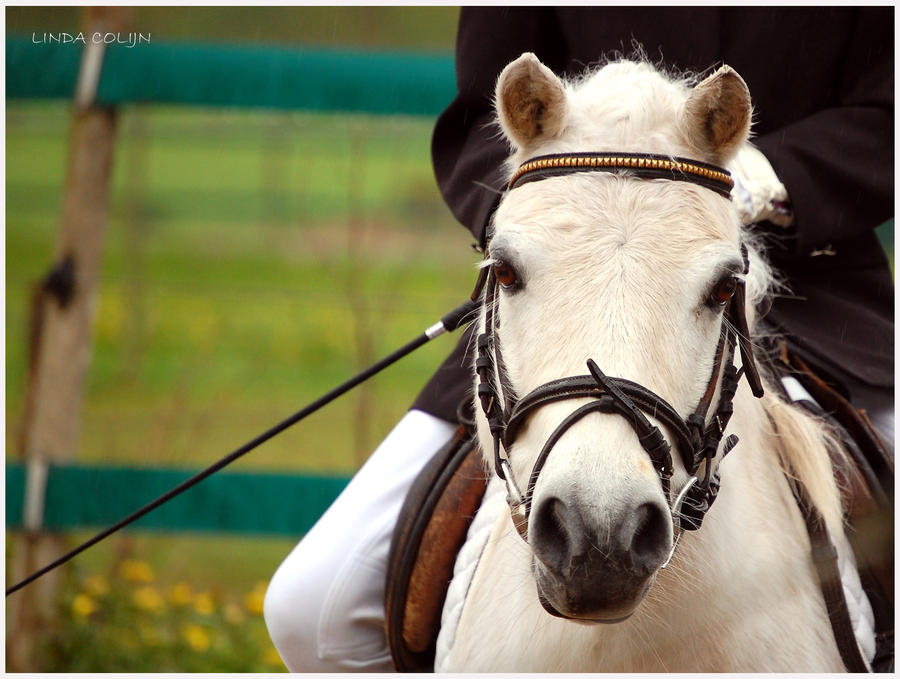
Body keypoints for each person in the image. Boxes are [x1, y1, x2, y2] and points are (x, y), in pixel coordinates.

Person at [264, 7, 894, 671]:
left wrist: (766, 175)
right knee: (314, 611)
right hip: (566, 287)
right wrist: (545, 213)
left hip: (819, 304)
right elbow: (483, 110)